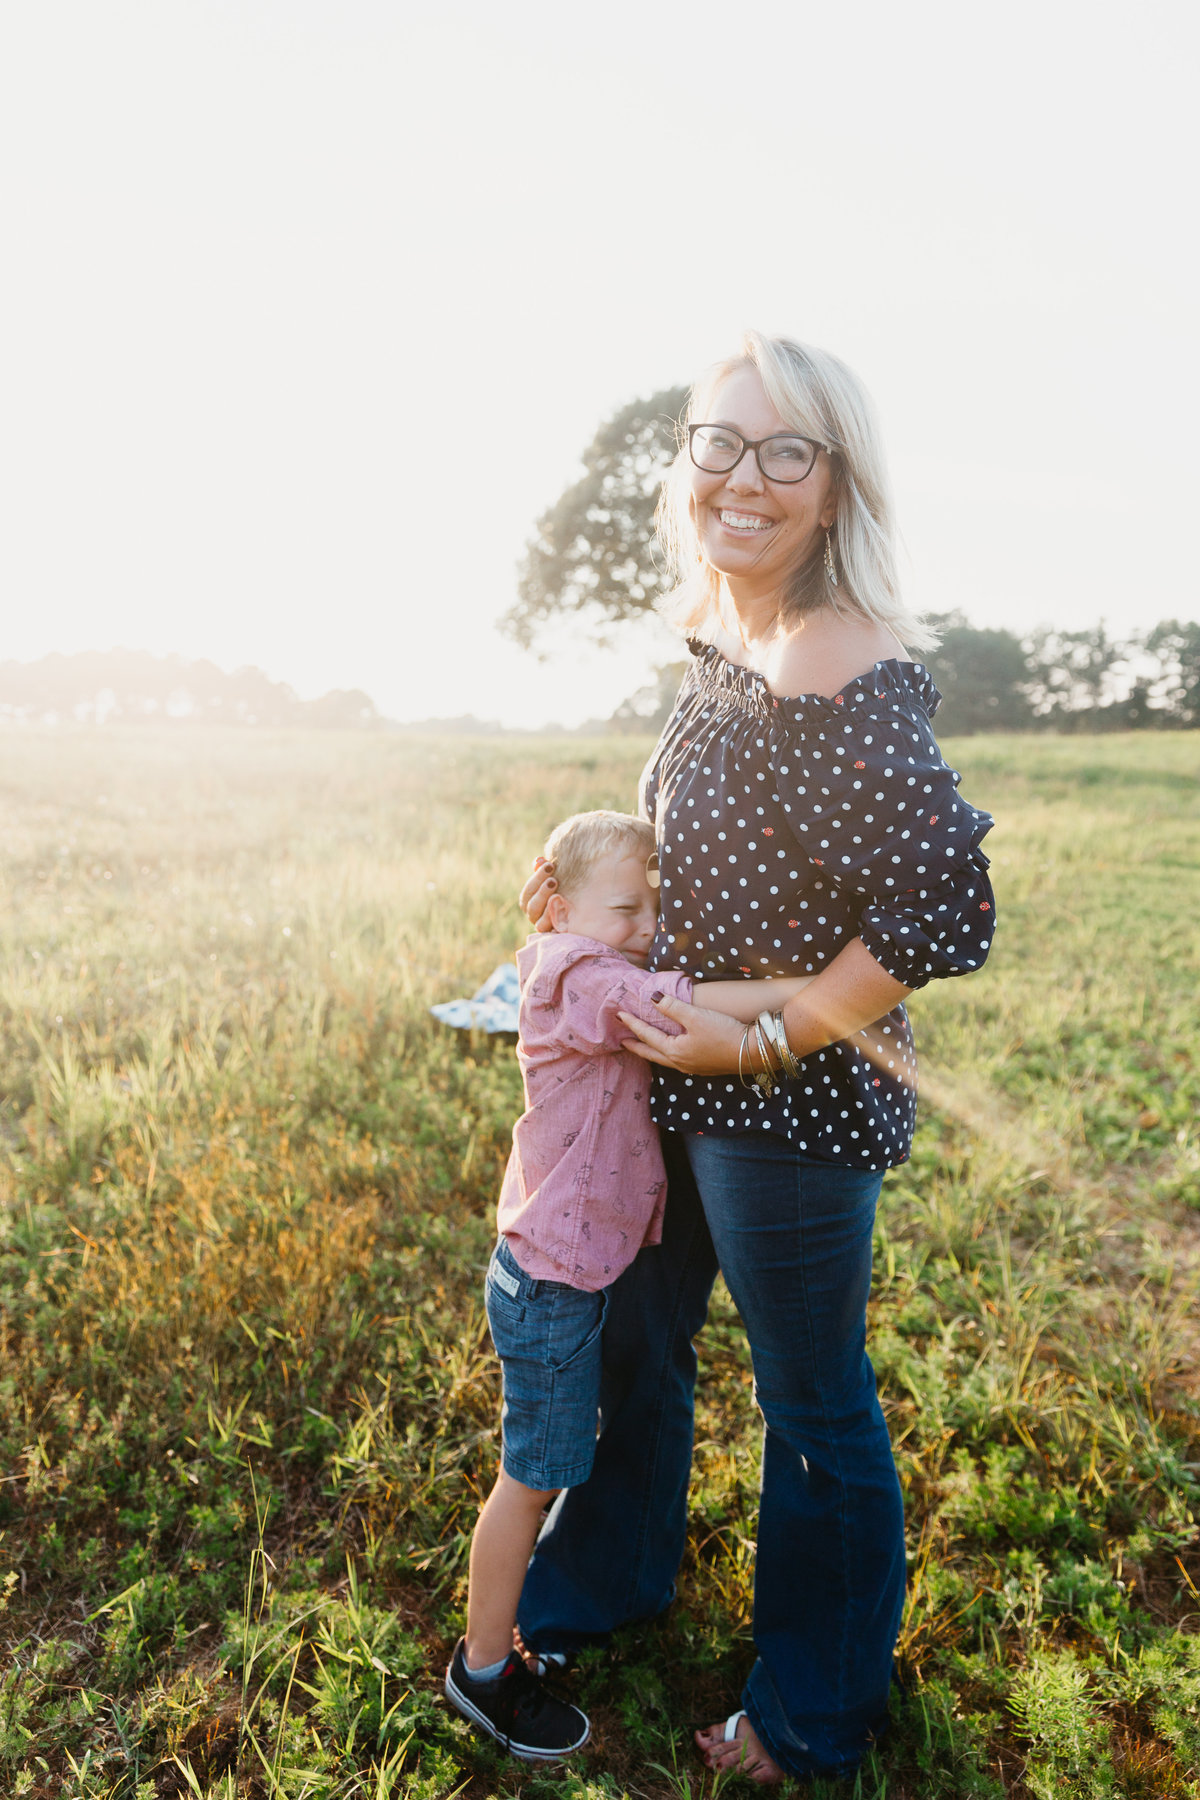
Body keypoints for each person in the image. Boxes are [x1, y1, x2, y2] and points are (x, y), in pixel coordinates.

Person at [515, 333, 996, 1783]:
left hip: (788, 1111)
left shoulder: (834, 650)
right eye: (719, 441)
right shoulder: (724, 629)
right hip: (678, 1076)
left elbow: (937, 908)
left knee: (813, 1408)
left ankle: (815, 1705)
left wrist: (764, 1035)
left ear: (836, 481)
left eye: (789, 450)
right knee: (639, 1345)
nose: (746, 476)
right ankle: (607, 1580)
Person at [445, 808, 814, 1759]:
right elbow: (679, 1007)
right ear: (558, 907)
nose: (645, 923)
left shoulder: (582, 952)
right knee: (531, 1480)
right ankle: (485, 1669)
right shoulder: (583, 976)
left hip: (563, 1266)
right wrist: (818, 991)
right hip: (553, 1285)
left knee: (550, 1466)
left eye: (655, 903)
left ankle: (517, 1635)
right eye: (624, 908)